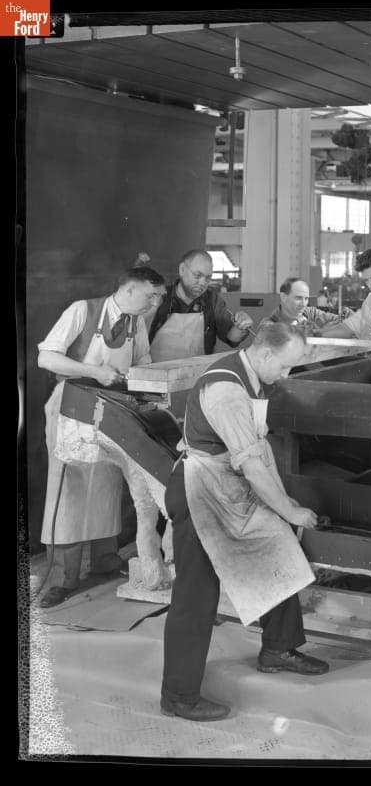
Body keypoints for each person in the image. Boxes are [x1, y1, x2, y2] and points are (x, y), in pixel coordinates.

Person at [160, 322, 329, 722]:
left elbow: (259, 446)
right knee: (196, 595)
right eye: (286, 367)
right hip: (200, 491)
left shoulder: (254, 377)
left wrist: (283, 501)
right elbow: (251, 464)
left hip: (228, 484)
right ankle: (179, 695)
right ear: (267, 354)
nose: (286, 376)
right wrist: (289, 511)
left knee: (279, 547)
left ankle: (278, 648)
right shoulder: (227, 391)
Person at [36, 266, 168, 608]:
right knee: (70, 494)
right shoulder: (82, 311)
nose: (154, 303)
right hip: (71, 408)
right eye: (150, 295)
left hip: (111, 410)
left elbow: (143, 358)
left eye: (158, 298)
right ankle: (62, 579)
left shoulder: (136, 321)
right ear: (129, 289)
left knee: (108, 487)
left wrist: (141, 378)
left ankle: (105, 563)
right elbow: (46, 357)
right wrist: (94, 371)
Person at [148, 249, 254, 362]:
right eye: (198, 275)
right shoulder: (159, 297)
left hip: (197, 374)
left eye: (208, 278)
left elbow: (231, 337)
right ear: (182, 269)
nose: (203, 283)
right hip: (155, 374)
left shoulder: (212, 301)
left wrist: (240, 327)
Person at [267, 277, 348, 332]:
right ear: (283, 297)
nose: (303, 304)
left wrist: (345, 316)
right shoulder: (269, 326)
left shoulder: (310, 313)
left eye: (306, 298)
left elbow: (337, 319)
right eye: (298, 298)